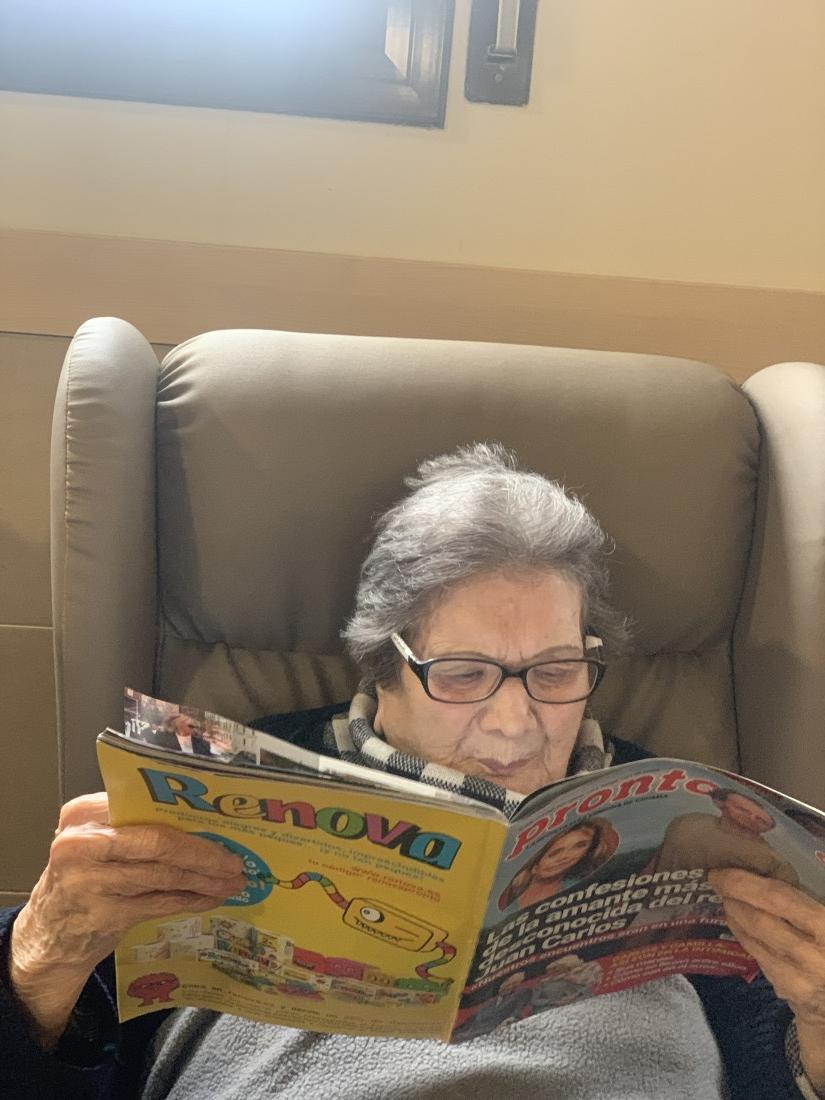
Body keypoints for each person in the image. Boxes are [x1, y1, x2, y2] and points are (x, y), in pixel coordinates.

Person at [3, 444, 825, 1099]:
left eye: (555, 671)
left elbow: (773, 1067)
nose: (514, 723)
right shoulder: (235, 779)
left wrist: (819, 1025)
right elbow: (56, 1056)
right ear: (384, 663)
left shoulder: (681, 810)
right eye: (463, 675)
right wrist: (40, 956)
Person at [651, 788, 800, 885]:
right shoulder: (687, 822)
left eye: (761, 820)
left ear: (769, 828)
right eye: (742, 810)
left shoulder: (774, 861)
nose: (751, 819)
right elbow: (657, 861)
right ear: (719, 803)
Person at [498, 818, 619, 909]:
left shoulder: (584, 892)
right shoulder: (507, 902)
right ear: (534, 864)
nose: (565, 857)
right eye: (554, 853)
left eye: (580, 846)